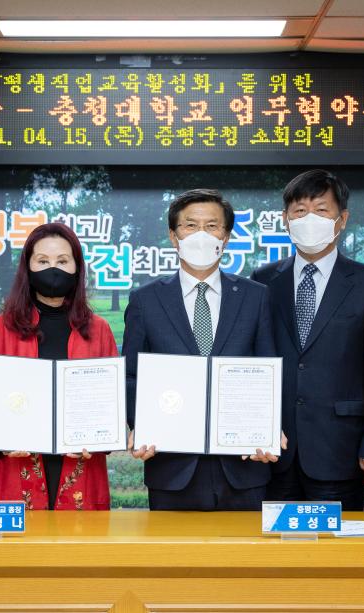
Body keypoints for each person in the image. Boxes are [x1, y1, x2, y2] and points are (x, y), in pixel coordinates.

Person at [251, 169, 364, 511]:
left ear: (341, 219)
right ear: (286, 220)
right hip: (273, 452)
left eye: (321, 210)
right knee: (274, 543)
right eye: (300, 211)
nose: (309, 220)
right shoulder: (263, 281)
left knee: (334, 544)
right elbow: (253, 360)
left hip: (340, 451)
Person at [123, 188, 278, 511]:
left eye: (212, 226)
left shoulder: (256, 296)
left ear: (226, 236)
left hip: (244, 465)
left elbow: (269, 370)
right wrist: (142, 425)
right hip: (171, 465)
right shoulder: (145, 300)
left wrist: (269, 427)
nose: (201, 235)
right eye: (191, 226)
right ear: (173, 236)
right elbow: (131, 376)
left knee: (244, 546)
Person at [0, 223, 116, 510]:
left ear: (77, 268)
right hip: (20, 463)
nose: (53, 269)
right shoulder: (3, 328)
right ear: (27, 268)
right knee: (20, 540)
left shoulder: (99, 329)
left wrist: (100, 437)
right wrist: (3, 437)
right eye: (42, 261)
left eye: (63, 261)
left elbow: (110, 405)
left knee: (81, 537)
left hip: (82, 464)